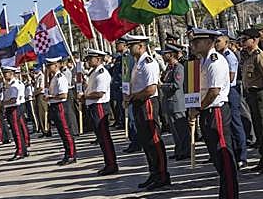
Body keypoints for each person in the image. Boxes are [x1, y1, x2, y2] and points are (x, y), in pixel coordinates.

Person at [191, 29, 239, 199]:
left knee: (224, 154)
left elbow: (214, 91)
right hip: (206, 111)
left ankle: (231, 198)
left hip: (216, 110)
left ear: (209, 41)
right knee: (216, 156)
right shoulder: (202, 62)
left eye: (198, 41)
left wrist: (198, 107)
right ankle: (223, 195)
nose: (194, 44)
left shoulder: (215, 61)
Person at [125, 34, 170, 190]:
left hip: (148, 103)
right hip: (139, 103)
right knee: (146, 140)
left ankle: (162, 174)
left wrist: (133, 96)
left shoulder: (148, 63)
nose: (129, 48)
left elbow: (151, 89)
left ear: (141, 46)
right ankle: (154, 172)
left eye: (132, 45)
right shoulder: (138, 63)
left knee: (154, 139)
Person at [81, 48, 118, 175]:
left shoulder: (102, 73)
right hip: (94, 106)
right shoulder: (94, 72)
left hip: (100, 106)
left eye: (90, 58)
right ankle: (108, 162)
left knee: (104, 137)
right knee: (101, 138)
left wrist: (85, 96)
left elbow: (99, 93)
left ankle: (111, 164)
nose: (88, 61)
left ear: (98, 59)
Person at [240, 30, 263, 171]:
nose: (242, 42)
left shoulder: (259, 56)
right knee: (258, 127)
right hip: (252, 94)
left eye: (245, 39)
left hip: (261, 94)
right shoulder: (248, 56)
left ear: (254, 40)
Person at [217, 31, 249, 165]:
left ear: (226, 42)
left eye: (218, 41)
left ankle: (242, 156)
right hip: (226, 91)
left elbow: (230, 76)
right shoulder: (220, 56)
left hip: (231, 90)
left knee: (236, 123)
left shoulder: (229, 56)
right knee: (229, 124)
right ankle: (235, 153)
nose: (216, 43)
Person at [161, 45, 191, 161]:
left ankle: (186, 150)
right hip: (169, 102)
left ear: (171, 54)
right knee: (174, 130)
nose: (163, 56)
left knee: (181, 128)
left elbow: (177, 85)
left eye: (165, 54)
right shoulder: (169, 68)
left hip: (177, 102)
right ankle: (179, 150)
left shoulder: (179, 68)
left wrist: (163, 86)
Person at [45, 59, 78, 165]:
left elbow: (63, 95)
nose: (48, 68)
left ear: (56, 65)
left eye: (50, 65)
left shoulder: (60, 78)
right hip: (54, 105)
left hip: (60, 106)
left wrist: (51, 97)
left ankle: (72, 154)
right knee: (61, 132)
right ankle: (67, 153)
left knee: (66, 131)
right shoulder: (54, 77)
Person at [3, 67, 30, 160]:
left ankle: (20, 151)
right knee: (17, 130)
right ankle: (23, 150)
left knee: (16, 131)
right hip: (11, 108)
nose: (4, 74)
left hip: (14, 108)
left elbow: (13, 99)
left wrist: (3, 103)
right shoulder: (10, 84)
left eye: (6, 72)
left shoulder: (14, 84)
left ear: (11, 73)